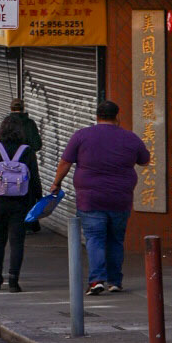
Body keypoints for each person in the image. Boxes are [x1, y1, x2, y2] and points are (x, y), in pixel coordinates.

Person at [50, 98, 152, 295]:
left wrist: (56, 183)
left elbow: (65, 163)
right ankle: (115, 281)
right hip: (120, 198)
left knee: (95, 238)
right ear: (117, 116)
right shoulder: (130, 138)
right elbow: (145, 161)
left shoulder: (82, 136)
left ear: (96, 117)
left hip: (90, 198)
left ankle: (97, 280)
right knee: (115, 240)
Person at [0, 101, 43, 291]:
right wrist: (38, 201)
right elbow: (34, 179)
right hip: (20, 203)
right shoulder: (27, 151)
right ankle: (14, 280)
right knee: (17, 242)